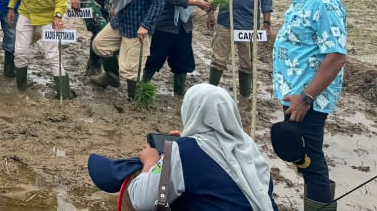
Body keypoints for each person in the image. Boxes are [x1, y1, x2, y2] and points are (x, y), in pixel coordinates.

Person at [89, 83, 278, 210]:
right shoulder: (248, 147)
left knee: (141, 182)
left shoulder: (185, 151)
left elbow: (141, 201)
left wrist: (150, 161)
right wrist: (188, 141)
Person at [273, 0, 347, 210]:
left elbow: (337, 56)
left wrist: (306, 98)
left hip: (307, 101)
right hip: (295, 96)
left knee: (311, 161)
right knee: (303, 159)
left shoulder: (324, 2)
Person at [91, 0, 164, 100]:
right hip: (120, 20)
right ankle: (111, 75)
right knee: (99, 44)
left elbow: (159, 2)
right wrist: (114, 7)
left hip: (137, 26)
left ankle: (134, 99)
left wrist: (145, 25)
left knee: (130, 69)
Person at [142, 0, 212, 96]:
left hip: (184, 25)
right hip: (165, 25)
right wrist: (194, 2)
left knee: (182, 60)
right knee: (155, 58)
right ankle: (142, 88)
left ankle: (179, 93)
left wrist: (207, 3)